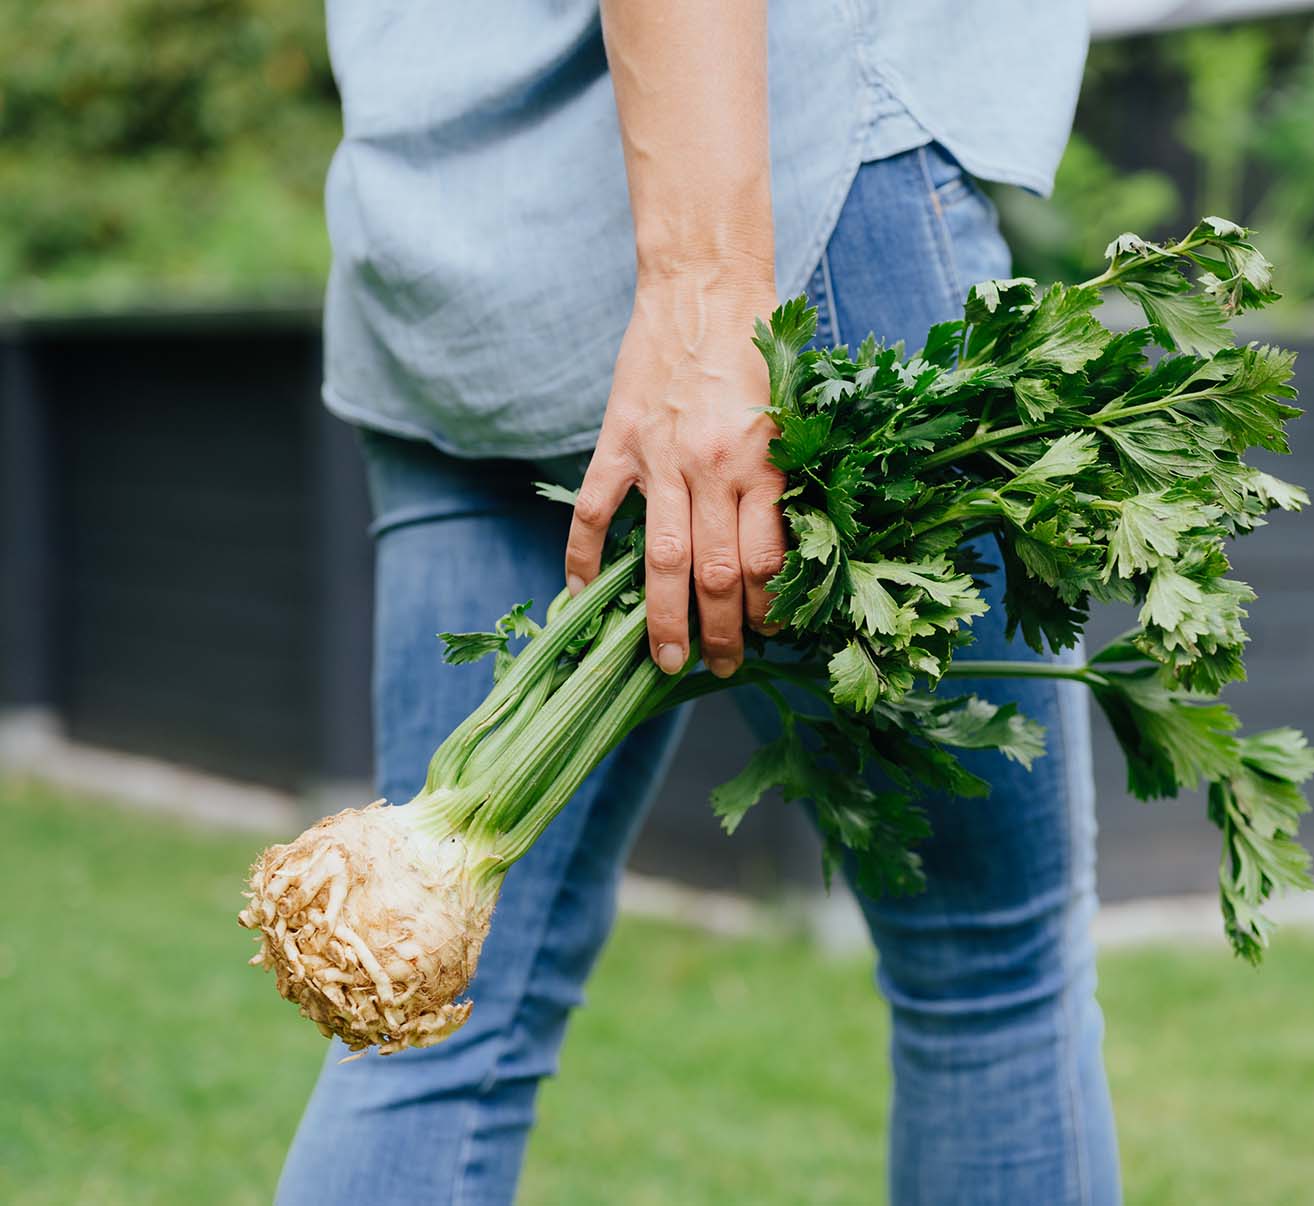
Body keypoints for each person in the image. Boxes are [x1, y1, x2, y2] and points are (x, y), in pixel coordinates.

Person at [278, 2, 1120, 1202]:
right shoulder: (723, 291)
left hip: (453, 258)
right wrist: (707, 299)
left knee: (432, 1013)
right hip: (785, 219)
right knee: (990, 973)